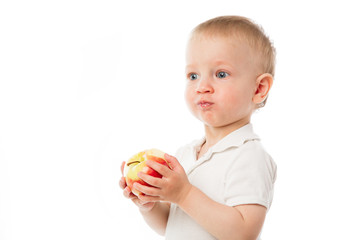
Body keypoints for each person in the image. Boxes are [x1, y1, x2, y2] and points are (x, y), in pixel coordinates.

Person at [119, 15, 277, 240]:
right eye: (193, 75)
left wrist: (184, 193)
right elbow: (171, 225)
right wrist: (149, 204)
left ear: (259, 88)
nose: (202, 86)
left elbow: (244, 233)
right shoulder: (186, 154)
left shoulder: (249, 156)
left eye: (221, 74)